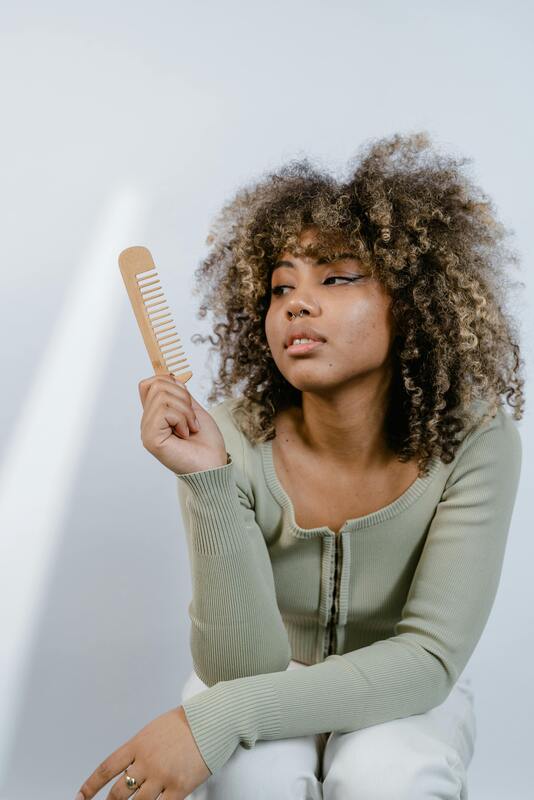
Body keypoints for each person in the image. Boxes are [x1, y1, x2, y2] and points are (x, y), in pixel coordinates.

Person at [95, 131, 524, 800]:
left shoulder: (473, 438)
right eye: (280, 287)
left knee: (390, 773)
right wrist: (207, 478)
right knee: (253, 780)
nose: (296, 301)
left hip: (405, 693)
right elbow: (241, 669)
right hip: (265, 676)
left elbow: (429, 659)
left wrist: (213, 720)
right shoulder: (231, 432)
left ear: (408, 303)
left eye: (336, 277)